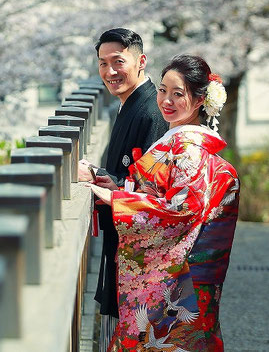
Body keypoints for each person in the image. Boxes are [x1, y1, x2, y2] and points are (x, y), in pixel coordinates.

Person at [88, 54, 240, 352]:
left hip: (182, 276)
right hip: (183, 272)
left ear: (199, 101)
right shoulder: (178, 143)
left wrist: (118, 200)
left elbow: (180, 211)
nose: (166, 101)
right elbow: (160, 196)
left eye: (177, 94)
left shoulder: (189, 152)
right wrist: (119, 187)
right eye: (162, 90)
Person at [82, 28, 169, 347]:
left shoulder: (149, 110)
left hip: (137, 250)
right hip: (122, 239)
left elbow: (154, 190)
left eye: (118, 61)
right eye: (103, 63)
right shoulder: (129, 104)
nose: (110, 71)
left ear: (141, 61)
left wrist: (112, 185)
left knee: (132, 333)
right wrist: (107, 179)